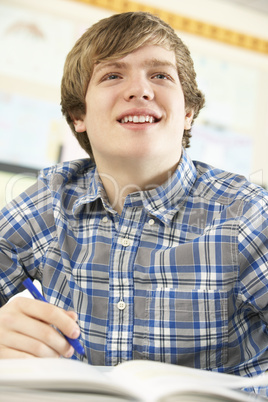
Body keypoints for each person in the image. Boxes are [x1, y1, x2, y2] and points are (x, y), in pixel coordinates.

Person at [0, 11, 268, 396]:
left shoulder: (249, 214)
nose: (140, 90)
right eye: (112, 75)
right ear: (79, 115)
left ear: (189, 112)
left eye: (160, 75)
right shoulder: (52, 198)